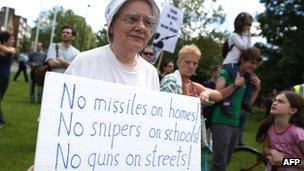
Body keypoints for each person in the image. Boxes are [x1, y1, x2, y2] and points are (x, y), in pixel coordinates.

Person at [27, 0, 160, 170]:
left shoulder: (151, 74)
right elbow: (54, 124)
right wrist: (45, 161)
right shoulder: (85, 61)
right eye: (132, 19)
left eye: (148, 22)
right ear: (111, 25)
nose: (141, 27)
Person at [211, 47, 261, 171]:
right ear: (242, 60)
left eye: (256, 63)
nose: (254, 66)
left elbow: (247, 104)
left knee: (226, 160)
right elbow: (215, 96)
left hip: (234, 123)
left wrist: (257, 90)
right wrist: (235, 85)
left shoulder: (247, 80)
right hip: (221, 121)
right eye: (251, 62)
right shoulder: (226, 73)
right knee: (220, 162)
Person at [256, 91, 304, 170]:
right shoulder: (269, 127)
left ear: (292, 110)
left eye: (280, 101)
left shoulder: (298, 133)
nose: (274, 103)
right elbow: (265, 149)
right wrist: (273, 153)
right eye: (275, 100)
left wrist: (285, 161)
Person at [221, 12, 254, 115]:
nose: (248, 27)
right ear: (241, 24)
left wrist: (248, 35)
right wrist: (246, 34)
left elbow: (249, 48)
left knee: (251, 79)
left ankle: (246, 101)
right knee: (237, 80)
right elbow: (243, 47)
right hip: (230, 63)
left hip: (237, 64)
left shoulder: (245, 36)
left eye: (250, 25)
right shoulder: (234, 35)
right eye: (247, 24)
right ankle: (226, 103)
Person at [0, 31, 16, 128]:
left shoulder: (11, 49)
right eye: (11, 39)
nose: (13, 41)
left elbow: (11, 51)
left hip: (4, 79)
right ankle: (1, 121)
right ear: (5, 39)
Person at [201, 65, 223, 129]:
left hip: (216, 115)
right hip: (206, 113)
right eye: (219, 72)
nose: (220, 75)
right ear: (214, 72)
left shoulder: (221, 88)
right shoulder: (205, 84)